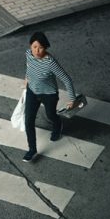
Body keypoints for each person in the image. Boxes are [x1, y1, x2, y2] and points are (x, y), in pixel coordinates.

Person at [22, 31, 76, 162]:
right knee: (28, 121)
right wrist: (26, 79)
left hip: (49, 95)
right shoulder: (28, 54)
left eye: (40, 47)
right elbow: (29, 67)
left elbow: (67, 79)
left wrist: (72, 99)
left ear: (45, 47)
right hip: (32, 92)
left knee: (51, 115)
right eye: (34, 47)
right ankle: (32, 149)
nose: (37, 50)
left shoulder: (50, 62)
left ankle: (58, 126)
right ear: (30, 46)